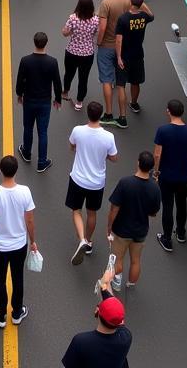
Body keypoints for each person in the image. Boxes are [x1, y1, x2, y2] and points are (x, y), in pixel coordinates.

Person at [0, 155, 37, 329]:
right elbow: (30, 221)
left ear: (1, 170)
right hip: (19, 244)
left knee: (0, 279)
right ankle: (17, 312)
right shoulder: (25, 191)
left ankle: (1, 314)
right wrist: (33, 241)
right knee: (17, 277)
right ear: (16, 170)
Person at [67, 101, 119, 265]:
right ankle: (88, 242)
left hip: (78, 179)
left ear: (88, 114)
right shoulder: (108, 137)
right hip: (97, 183)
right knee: (91, 213)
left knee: (76, 210)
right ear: (101, 115)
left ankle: (81, 239)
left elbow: (72, 147)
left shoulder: (78, 131)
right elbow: (114, 158)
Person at [153, 98, 187, 252]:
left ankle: (167, 238)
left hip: (166, 175)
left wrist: (156, 172)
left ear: (169, 111)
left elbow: (157, 154)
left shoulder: (163, 130)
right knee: (182, 203)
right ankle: (181, 233)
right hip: (183, 177)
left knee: (167, 205)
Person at [107, 150, 161, 292]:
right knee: (136, 260)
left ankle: (116, 282)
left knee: (118, 258)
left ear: (138, 163)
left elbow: (114, 208)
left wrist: (109, 226)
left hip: (122, 229)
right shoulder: (155, 188)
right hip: (140, 231)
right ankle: (131, 283)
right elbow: (154, 213)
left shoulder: (125, 183)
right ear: (151, 167)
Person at [60, 267, 132, 368]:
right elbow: (115, 311)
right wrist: (106, 284)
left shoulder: (81, 342)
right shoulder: (125, 337)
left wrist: (105, 284)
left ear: (97, 311)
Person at [15, 31, 63, 173]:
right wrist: (58, 99)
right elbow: (57, 83)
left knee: (28, 127)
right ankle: (42, 162)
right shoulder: (52, 62)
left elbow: (20, 80)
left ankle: (27, 152)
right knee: (43, 132)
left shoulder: (25, 60)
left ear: (34, 42)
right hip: (44, 102)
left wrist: (19, 94)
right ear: (46, 43)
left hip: (29, 100)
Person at [96, 0, 131, 128]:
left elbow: (102, 27)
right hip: (122, 47)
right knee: (121, 84)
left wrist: (98, 42)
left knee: (106, 80)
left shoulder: (106, 3)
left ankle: (109, 113)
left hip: (107, 46)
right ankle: (123, 117)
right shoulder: (127, 1)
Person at [115, 0, 154, 115]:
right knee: (135, 81)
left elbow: (119, 40)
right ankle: (134, 103)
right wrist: (143, 4)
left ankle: (122, 113)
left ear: (130, 2)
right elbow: (151, 15)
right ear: (141, 4)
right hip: (138, 54)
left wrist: (119, 57)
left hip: (125, 55)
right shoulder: (144, 17)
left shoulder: (123, 19)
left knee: (121, 84)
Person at [61, 0, 99, 111]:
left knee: (69, 73)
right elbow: (96, 34)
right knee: (83, 78)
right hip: (87, 54)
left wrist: (71, 31)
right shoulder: (96, 20)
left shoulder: (73, 18)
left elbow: (65, 33)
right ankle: (79, 102)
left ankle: (65, 92)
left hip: (72, 51)